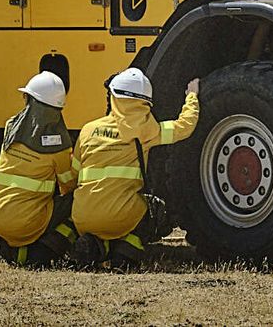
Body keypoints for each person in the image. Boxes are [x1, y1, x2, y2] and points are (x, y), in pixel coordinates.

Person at [69, 68, 199, 267]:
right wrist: (192, 96)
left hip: (82, 217)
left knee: (106, 221)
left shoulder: (88, 130)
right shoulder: (147, 132)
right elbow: (185, 126)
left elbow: (73, 175)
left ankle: (96, 247)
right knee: (155, 212)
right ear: (145, 102)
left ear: (113, 96)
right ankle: (125, 254)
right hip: (122, 217)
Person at [0, 71, 77, 267]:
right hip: (27, 225)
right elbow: (68, 186)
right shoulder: (60, 146)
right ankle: (43, 251)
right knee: (79, 202)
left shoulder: (11, 127)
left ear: (30, 100)